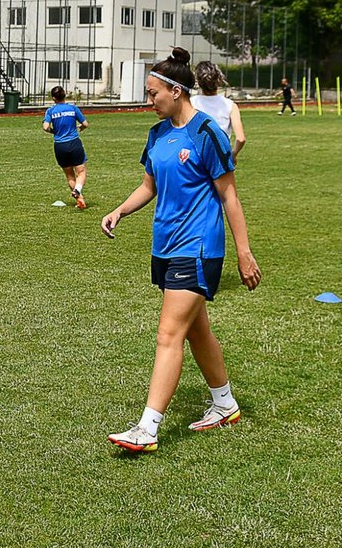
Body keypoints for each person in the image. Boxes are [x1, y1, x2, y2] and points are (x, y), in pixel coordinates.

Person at [100, 47, 261, 453]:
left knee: (169, 333)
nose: (148, 100)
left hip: (199, 246)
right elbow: (149, 186)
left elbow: (230, 197)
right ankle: (224, 404)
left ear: (176, 91)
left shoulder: (206, 133)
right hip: (166, 244)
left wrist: (243, 252)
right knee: (195, 330)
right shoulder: (156, 134)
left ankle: (147, 429)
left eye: (153, 93)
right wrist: (120, 210)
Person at [42, 86, 89, 208]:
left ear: (53, 98)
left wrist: (54, 131)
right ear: (65, 95)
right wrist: (80, 128)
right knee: (81, 172)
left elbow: (45, 127)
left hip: (60, 146)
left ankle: (80, 199)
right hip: (74, 143)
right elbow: (85, 124)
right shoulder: (72, 108)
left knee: (69, 175)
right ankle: (78, 190)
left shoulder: (51, 111)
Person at [190, 61, 246, 161]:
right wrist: (233, 154)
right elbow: (240, 139)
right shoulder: (231, 105)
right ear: (219, 79)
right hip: (221, 159)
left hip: (195, 159)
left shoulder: (190, 103)